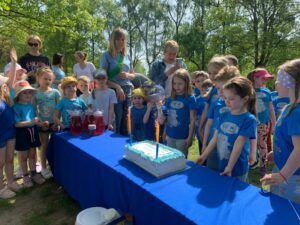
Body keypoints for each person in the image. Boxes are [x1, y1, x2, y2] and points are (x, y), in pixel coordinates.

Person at [197, 76, 257, 181]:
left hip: (237, 167)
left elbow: (239, 144)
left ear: (245, 99)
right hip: (223, 162)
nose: (227, 101)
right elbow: (216, 137)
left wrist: (229, 167)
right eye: (225, 98)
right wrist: (204, 155)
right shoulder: (224, 114)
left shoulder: (249, 119)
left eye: (231, 98)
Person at [261, 59, 300, 203]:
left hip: (292, 177)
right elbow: (288, 139)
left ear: (292, 83)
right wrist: (277, 151)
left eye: (279, 79)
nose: (276, 83)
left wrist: (283, 175)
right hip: (283, 168)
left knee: (287, 212)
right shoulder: (288, 107)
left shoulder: (296, 112)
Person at [202, 66, 240, 170]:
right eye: (218, 88)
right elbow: (209, 124)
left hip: (231, 148)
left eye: (224, 89)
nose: (220, 92)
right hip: (213, 146)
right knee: (212, 173)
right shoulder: (216, 103)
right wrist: (204, 144)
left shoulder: (240, 106)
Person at [100, 27, 135, 135]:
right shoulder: (106, 55)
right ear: (113, 40)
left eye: (123, 39)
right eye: (118, 39)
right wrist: (117, 87)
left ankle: (125, 144)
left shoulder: (127, 56)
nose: (121, 42)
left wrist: (128, 75)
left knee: (127, 117)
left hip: (128, 89)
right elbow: (103, 78)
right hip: (114, 91)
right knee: (117, 118)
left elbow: (133, 75)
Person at [13, 80, 45, 187]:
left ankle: (34, 174)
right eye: (24, 92)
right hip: (22, 133)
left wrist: (40, 124)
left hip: (33, 131)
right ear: (18, 95)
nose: (28, 94)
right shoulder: (16, 107)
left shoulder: (31, 105)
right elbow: (16, 124)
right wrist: (31, 122)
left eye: (29, 92)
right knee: (23, 157)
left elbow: (34, 119)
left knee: (32, 155)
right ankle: (25, 175)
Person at [158, 69, 196, 158]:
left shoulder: (190, 99)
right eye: (174, 84)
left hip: (183, 136)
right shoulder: (170, 99)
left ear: (186, 83)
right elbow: (168, 117)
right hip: (170, 135)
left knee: (181, 159)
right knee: (169, 158)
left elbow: (192, 119)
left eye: (180, 84)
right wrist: (165, 132)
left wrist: (190, 137)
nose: (176, 86)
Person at [0, 49, 22, 199]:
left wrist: (14, 62)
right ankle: (1, 188)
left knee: (9, 158)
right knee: (0, 162)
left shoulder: (6, 95)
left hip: (10, 131)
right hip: (0, 134)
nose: (5, 84)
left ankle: (11, 182)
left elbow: (11, 79)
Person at [247, 68, 276, 176]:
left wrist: (274, 123)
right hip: (249, 123)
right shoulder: (248, 91)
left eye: (266, 79)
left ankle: (263, 166)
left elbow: (271, 108)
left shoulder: (267, 92)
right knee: (249, 144)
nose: (265, 81)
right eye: (263, 78)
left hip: (263, 124)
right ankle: (250, 162)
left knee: (262, 145)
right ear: (255, 78)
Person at [34, 67, 60, 179]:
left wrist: (57, 121)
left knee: (55, 144)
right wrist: (39, 121)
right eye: (45, 79)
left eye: (50, 79)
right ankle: (44, 168)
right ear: (38, 78)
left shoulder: (55, 92)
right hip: (43, 124)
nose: (48, 81)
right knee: (44, 145)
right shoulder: (35, 93)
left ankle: (53, 165)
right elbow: (34, 109)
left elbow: (59, 108)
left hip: (54, 123)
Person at [198, 56, 229, 143]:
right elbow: (207, 109)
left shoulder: (231, 91)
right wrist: (201, 126)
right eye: (210, 73)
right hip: (212, 132)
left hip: (226, 133)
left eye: (215, 73)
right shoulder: (213, 90)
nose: (211, 76)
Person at [193, 71, 209, 153]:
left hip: (208, 128)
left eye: (203, 80)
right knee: (201, 150)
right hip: (198, 127)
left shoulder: (210, 96)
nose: (200, 83)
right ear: (194, 83)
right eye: (197, 81)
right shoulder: (194, 97)